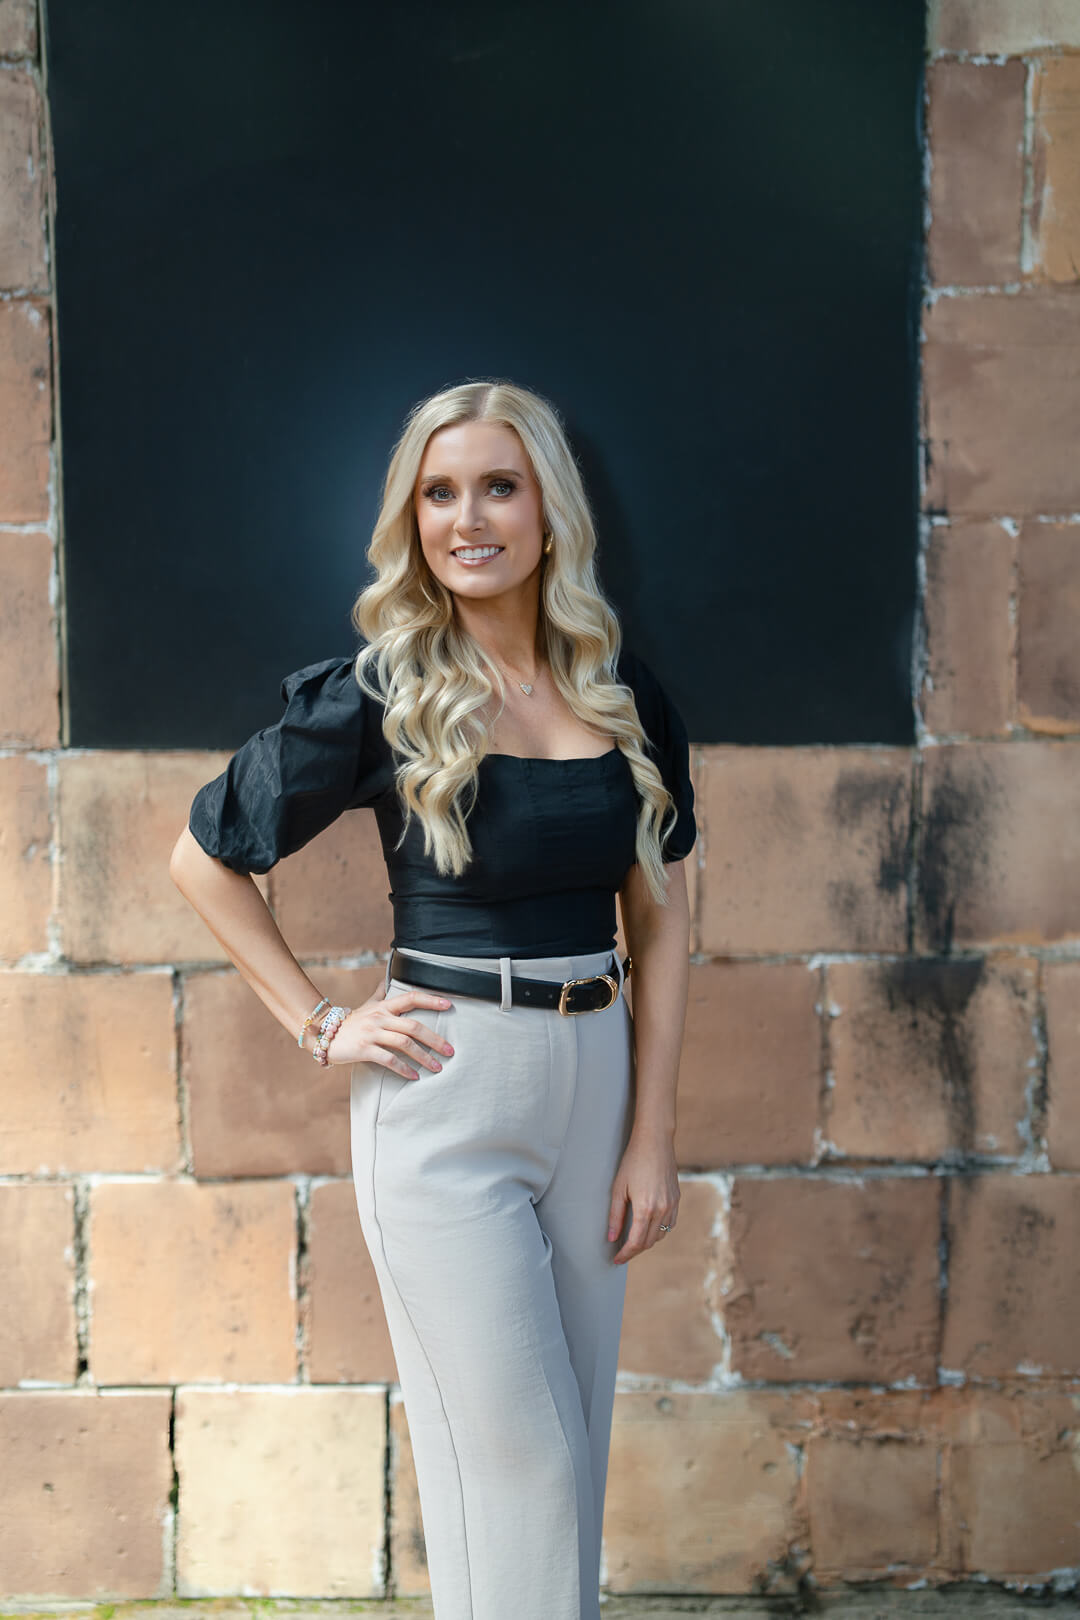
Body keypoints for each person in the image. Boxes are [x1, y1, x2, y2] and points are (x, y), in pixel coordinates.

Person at [169, 378, 696, 1620]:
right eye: (439, 492)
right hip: (447, 1090)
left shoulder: (622, 693)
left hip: (596, 1078)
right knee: (524, 1466)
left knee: (567, 1470)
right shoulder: (382, 691)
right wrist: (321, 1022)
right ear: (412, 520)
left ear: (548, 513)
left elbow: (667, 918)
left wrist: (652, 1132)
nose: (469, 518)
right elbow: (204, 861)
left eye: (498, 487)